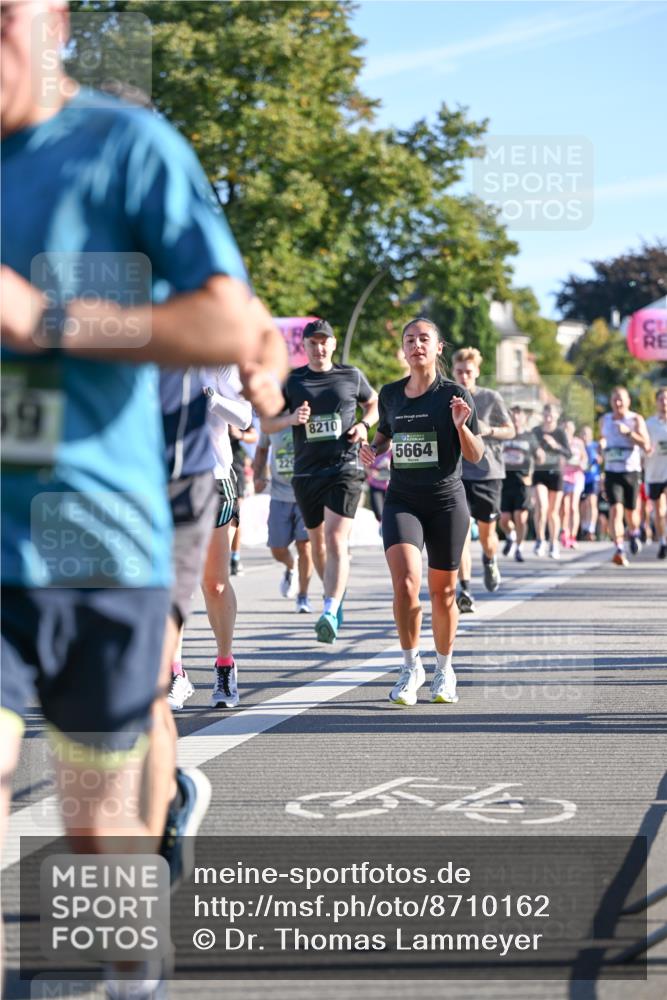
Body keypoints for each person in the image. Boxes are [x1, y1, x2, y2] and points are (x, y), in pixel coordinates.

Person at [0, 2, 287, 994]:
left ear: (55, 25)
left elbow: (228, 321)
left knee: (95, 830)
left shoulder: (127, 148)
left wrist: (51, 320)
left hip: (98, 538)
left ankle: (133, 968)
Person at [360, 318, 483, 705]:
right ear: (403, 348)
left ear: (438, 347)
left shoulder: (454, 394)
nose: (416, 346)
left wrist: (461, 427)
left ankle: (444, 669)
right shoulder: (391, 394)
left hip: (446, 501)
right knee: (406, 583)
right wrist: (372, 450)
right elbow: (384, 437)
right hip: (403, 500)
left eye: (424, 339)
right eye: (409, 340)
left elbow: (476, 455)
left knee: (443, 592)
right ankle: (410, 666)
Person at [263, 318, 379, 644]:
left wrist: (365, 425)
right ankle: (335, 596)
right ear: (305, 346)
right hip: (305, 472)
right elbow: (267, 423)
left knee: (335, 537)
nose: (318, 347)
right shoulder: (292, 381)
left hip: (344, 468)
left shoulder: (351, 375)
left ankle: (328, 609)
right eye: (312, 343)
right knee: (317, 544)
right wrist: (290, 419)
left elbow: (374, 403)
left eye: (323, 341)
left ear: (333, 343)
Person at [201, 365, 254, 708]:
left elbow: (246, 418)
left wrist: (212, 400)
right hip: (159, 483)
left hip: (214, 480)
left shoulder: (217, 361)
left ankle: (224, 663)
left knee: (215, 584)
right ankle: (175, 672)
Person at [451, 347, 514, 613]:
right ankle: (465, 588)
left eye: (468, 372)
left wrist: (490, 430)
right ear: (453, 372)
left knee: (488, 534)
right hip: (457, 474)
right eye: (459, 372)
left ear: (476, 372)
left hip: (488, 473)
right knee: (460, 534)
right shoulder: (448, 398)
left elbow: (511, 430)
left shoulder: (491, 398)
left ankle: (490, 559)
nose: (464, 376)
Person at [253, 419, 314, 612]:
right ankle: (291, 566)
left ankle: (303, 597)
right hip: (279, 494)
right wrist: (258, 476)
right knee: (277, 549)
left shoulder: (309, 416)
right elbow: (262, 449)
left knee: (305, 546)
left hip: (307, 493)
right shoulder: (271, 420)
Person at [600, 386, 651, 566]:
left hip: (631, 471)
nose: (618, 403)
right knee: (615, 510)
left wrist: (629, 433)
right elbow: (603, 440)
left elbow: (646, 445)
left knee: (631, 513)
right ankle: (619, 548)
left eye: (621, 399)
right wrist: (602, 445)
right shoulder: (605, 420)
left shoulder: (636, 419)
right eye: (615, 400)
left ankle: (634, 532)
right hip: (612, 471)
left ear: (628, 401)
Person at [530, 404, 571, 559]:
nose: (548, 417)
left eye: (551, 414)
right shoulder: (536, 431)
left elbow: (568, 453)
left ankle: (554, 543)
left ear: (556, 416)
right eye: (546, 414)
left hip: (556, 473)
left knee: (553, 512)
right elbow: (528, 450)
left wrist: (556, 445)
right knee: (541, 506)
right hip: (539, 473)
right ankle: (540, 540)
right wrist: (536, 452)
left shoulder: (560, 432)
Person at [499, 405, 534, 562]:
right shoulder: (504, 436)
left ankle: (519, 548)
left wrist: (532, 475)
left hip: (522, 482)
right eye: (513, 417)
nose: (516, 420)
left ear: (524, 419)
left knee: (521, 517)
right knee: (504, 519)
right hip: (504, 481)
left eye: (518, 417)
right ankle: (510, 535)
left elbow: (539, 458)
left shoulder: (530, 437)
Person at [229, 422, 258, 576]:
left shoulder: (231, 401)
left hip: (234, 467)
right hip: (207, 468)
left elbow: (254, 436)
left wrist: (239, 434)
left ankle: (235, 557)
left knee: (234, 515)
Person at [645, 386, 667, 559]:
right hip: (654, 473)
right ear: (657, 402)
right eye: (661, 399)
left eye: (666, 399)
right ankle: (663, 541)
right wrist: (646, 450)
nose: (664, 402)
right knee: (658, 512)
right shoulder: (649, 424)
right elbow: (643, 448)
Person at [560, 419, 587, 549]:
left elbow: (585, 459)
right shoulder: (560, 442)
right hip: (563, 477)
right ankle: (564, 532)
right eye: (564, 428)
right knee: (564, 507)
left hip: (576, 477)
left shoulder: (578, 443)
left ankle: (573, 535)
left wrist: (580, 464)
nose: (566, 431)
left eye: (569, 428)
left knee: (573, 507)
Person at [580, 425, 602, 540]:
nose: (585, 436)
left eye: (587, 434)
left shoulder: (595, 446)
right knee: (583, 505)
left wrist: (599, 458)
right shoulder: (578, 446)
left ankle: (591, 529)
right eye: (583, 433)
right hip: (581, 479)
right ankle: (584, 527)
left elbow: (601, 459)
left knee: (592, 502)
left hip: (593, 478)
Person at [366, 445, 392, 528]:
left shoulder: (394, 451)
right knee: (378, 513)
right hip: (375, 486)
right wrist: (371, 472)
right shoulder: (374, 449)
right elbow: (366, 465)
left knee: (391, 513)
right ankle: (383, 529)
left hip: (390, 487)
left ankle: (389, 530)